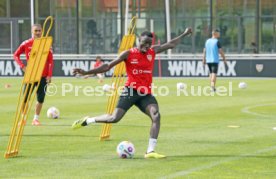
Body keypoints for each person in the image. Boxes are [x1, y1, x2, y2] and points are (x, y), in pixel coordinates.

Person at [72, 27, 192, 159]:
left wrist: (185, 34)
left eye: (149, 44)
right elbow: (107, 66)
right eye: (144, 43)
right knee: (114, 118)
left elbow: (171, 44)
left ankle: (150, 151)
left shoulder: (152, 51)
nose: (146, 46)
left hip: (145, 94)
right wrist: (86, 72)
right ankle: (89, 120)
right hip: (130, 91)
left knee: (156, 116)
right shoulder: (128, 54)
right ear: (138, 40)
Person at [14, 24, 54, 126]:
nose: (38, 32)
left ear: (42, 31)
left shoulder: (46, 43)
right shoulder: (26, 43)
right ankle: (23, 118)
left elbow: (50, 60)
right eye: (36, 31)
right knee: (25, 98)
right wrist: (22, 66)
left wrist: (49, 75)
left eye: (39, 30)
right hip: (31, 75)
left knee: (40, 99)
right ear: (32, 31)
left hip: (43, 76)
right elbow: (16, 55)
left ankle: (35, 119)